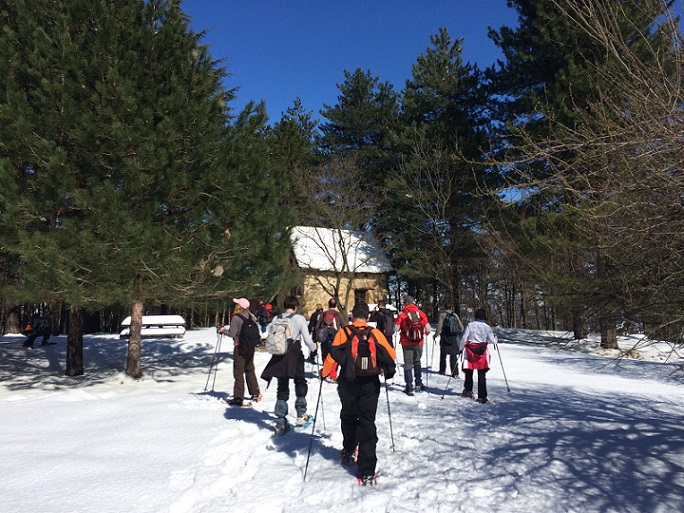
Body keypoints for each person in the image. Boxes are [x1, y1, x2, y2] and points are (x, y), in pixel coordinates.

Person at [321, 302, 396, 486]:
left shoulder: (343, 333)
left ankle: (348, 449)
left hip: (347, 382)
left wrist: (324, 372)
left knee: (348, 415)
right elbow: (391, 355)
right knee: (367, 422)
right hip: (370, 383)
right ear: (368, 317)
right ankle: (367, 469)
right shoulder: (375, 333)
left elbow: (332, 356)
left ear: (352, 316)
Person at [261, 295, 319, 436]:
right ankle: (301, 415)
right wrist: (314, 347)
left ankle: (280, 422)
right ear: (296, 306)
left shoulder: (276, 318)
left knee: (282, 386)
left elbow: (268, 333)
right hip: (294, 353)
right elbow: (306, 339)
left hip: (280, 354)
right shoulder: (299, 319)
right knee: (300, 382)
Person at [219, 298, 262, 407]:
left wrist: (223, 331)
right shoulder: (252, 317)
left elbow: (232, 333)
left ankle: (238, 397)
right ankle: (255, 393)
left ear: (239, 306)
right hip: (250, 347)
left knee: (238, 372)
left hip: (240, 347)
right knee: (249, 369)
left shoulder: (236, 318)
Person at [459, 308, 498, 404]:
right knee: (481, 374)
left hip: (470, 351)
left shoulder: (470, 325)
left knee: (469, 371)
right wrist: (495, 338)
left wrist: (460, 348)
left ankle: (468, 391)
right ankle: (482, 397)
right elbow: (492, 341)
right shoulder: (487, 327)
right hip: (482, 352)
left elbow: (464, 338)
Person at [394, 295, 431, 395]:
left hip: (406, 343)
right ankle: (418, 384)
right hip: (419, 342)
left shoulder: (402, 314)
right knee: (417, 361)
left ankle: (409, 387)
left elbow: (396, 328)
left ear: (405, 303)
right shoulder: (421, 313)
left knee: (408, 364)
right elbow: (428, 330)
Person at [314, 298, 347, 378]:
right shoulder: (338, 314)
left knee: (325, 356)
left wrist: (316, 339)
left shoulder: (324, 314)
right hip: (336, 338)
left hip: (325, 338)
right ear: (336, 305)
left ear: (328, 305)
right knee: (335, 357)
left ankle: (325, 373)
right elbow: (344, 327)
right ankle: (332, 374)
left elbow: (317, 327)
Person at [435, 305, 464, 376]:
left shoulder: (442, 315)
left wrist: (436, 335)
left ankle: (442, 370)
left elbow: (439, 327)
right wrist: (457, 333)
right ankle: (455, 373)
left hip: (445, 337)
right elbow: (461, 327)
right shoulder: (455, 315)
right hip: (453, 337)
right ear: (451, 308)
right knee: (453, 355)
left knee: (443, 353)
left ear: (444, 308)